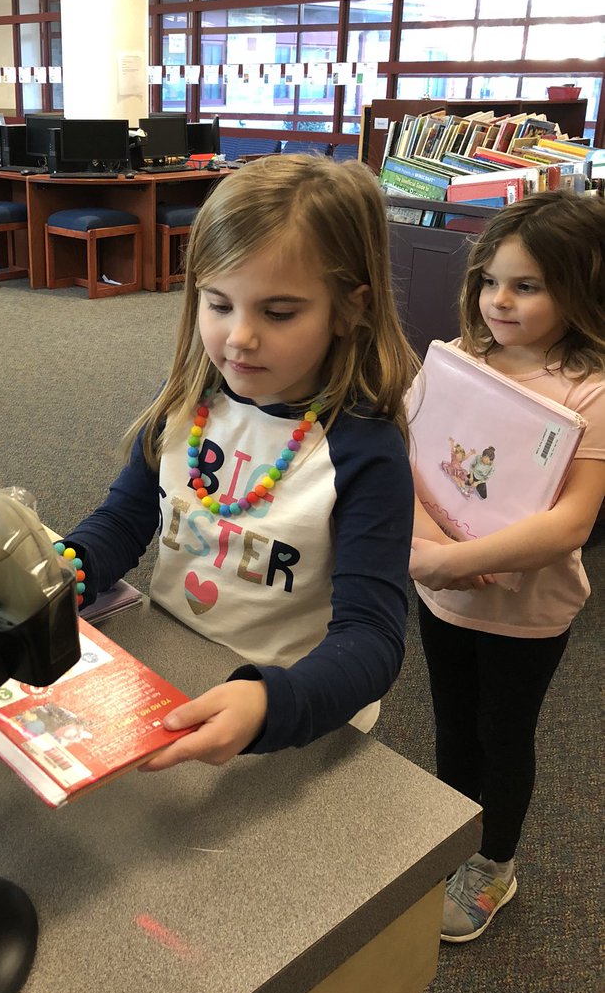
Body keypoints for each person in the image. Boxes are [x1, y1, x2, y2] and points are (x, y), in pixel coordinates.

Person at [57, 153, 418, 772]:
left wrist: (268, 703)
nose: (239, 337)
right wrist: (66, 574)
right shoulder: (186, 405)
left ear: (351, 308)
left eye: (278, 313)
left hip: (295, 713)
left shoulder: (364, 454)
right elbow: (123, 521)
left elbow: (373, 639)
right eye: (219, 304)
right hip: (170, 669)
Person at [409, 192, 605, 943]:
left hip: (527, 611)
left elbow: (571, 524)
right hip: (443, 593)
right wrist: (430, 556)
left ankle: (494, 863)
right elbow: (414, 460)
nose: (499, 300)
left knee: (503, 732)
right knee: (453, 724)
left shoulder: (588, 386)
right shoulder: (460, 360)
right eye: (491, 280)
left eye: (527, 286)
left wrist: (453, 559)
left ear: (581, 284)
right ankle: (450, 840)